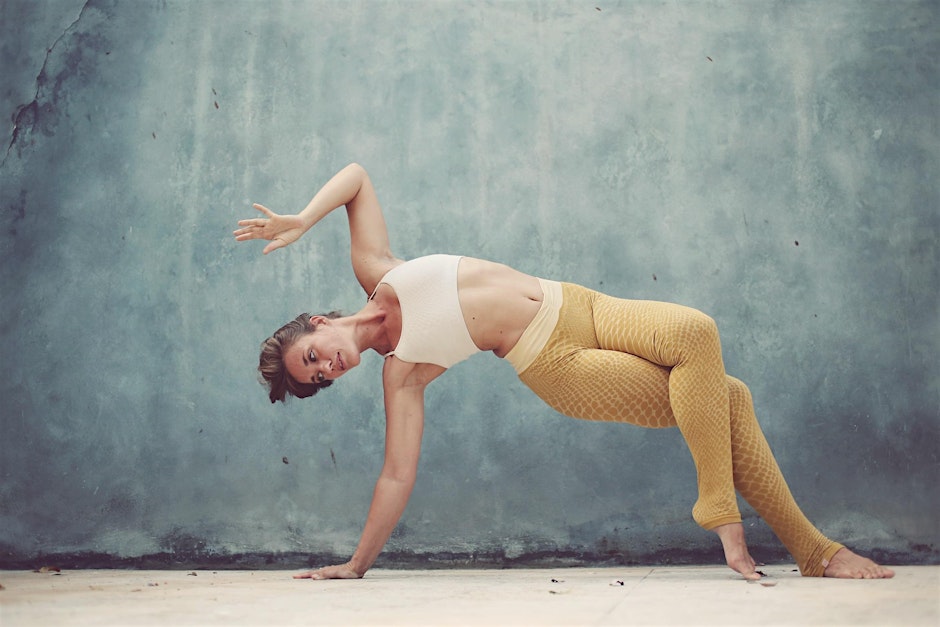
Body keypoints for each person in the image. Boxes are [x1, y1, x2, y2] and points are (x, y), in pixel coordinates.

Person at [234, 163, 894, 581]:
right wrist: (356, 564)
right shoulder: (401, 373)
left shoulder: (376, 271)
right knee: (723, 394)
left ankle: (803, 548)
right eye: (318, 379)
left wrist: (301, 218)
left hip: (578, 303)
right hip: (561, 365)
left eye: (312, 358)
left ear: (316, 323)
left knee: (707, 352)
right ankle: (783, 538)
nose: (328, 369)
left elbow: (355, 177)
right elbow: (397, 473)